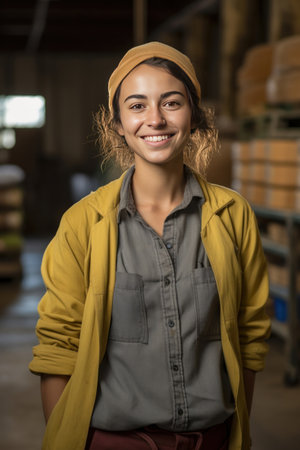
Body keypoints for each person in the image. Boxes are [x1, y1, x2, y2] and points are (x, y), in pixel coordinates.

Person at [29, 42, 271, 450]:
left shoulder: (233, 215)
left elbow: (249, 336)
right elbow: (59, 346)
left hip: (211, 439)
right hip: (112, 441)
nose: (155, 119)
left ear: (193, 116)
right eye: (137, 106)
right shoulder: (83, 224)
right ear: (118, 123)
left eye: (171, 102)